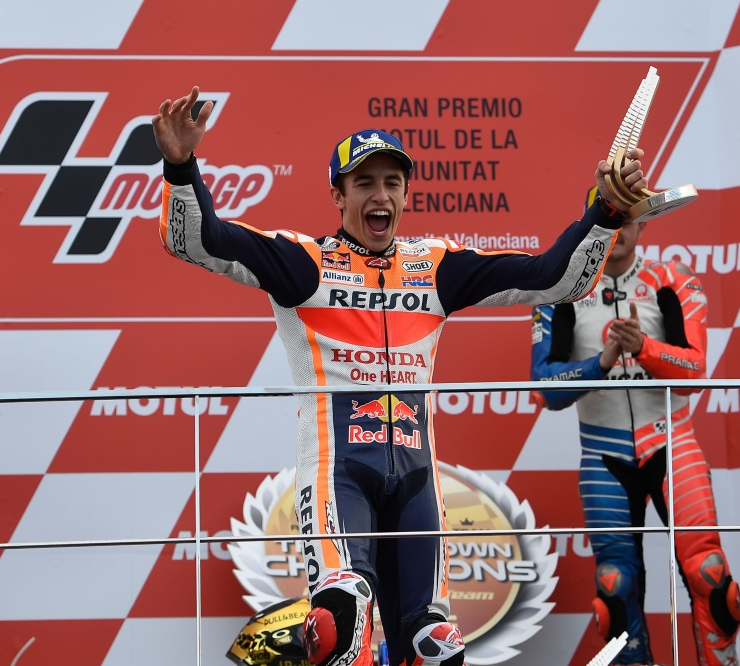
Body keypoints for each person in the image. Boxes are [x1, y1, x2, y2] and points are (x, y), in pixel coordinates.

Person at [153, 87, 645, 666]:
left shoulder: (434, 267)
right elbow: (194, 240)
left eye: (392, 182)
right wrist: (180, 166)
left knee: (434, 646)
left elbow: (555, 279)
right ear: (337, 196)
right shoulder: (304, 262)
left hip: (416, 484)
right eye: (363, 183)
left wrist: (606, 210)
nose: (380, 195)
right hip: (339, 477)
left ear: (407, 193)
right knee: (339, 624)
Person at [530, 188, 740, 666]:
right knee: (615, 587)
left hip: (672, 442)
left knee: (710, 574)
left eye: (626, 220)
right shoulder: (561, 292)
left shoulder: (674, 279)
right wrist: (601, 363)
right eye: (607, 220)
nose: (617, 231)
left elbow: (694, 373)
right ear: (591, 225)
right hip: (602, 454)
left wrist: (644, 348)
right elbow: (543, 388)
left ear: (643, 224)